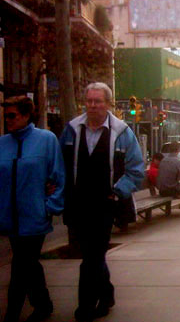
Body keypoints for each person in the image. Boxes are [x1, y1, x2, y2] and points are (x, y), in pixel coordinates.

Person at [59, 82, 145, 322]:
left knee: (91, 256)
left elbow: (136, 170)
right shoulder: (72, 130)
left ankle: (85, 306)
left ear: (108, 104)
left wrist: (117, 192)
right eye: (89, 101)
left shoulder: (122, 132)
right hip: (78, 204)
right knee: (93, 254)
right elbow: (59, 164)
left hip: (105, 204)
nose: (93, 106)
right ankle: (106, 294)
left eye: (98, 101)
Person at [0, 96, 65, 322]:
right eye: (5, 116)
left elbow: (58, 176)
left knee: (21, 265)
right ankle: (43, 304)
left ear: (26, 115)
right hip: (10, 218)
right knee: (29, 264)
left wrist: (49, 207)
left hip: (35, 217)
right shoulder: (2, 144)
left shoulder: (46, 140)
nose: (7, 120)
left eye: (12, 115)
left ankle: (12, 314)